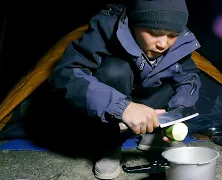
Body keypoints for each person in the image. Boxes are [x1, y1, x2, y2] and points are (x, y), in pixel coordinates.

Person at [47, 0, 201, 179]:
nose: (163, 44)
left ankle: (153, 134)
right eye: (154, 33)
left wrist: (177, 112)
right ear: (135, 23)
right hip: (112, 107)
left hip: (149, 103)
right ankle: (109, 145)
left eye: (172, 35)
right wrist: (122, 107)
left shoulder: (179, 44)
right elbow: (65, 74)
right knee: (114, 70)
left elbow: (190, 78)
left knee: (176, 81)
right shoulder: (106, 28)